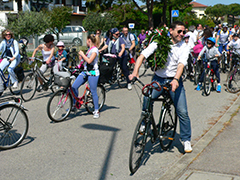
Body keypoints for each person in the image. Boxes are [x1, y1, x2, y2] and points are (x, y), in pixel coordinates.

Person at [129, 21, 192, 153]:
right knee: (147, 97)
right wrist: (135, 71)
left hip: (174, 80)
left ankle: (186, 140)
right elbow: (143, 55)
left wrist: (176, 80)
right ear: (171, 31)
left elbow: (181, 64)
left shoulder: (184, 47)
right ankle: (145, 122)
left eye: (183, 32)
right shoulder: (160, 42)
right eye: (179, 31)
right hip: (158, 79)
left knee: (182, 112)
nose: (181, 34)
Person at [72, 34, 100, 119]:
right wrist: (81, 57)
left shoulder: (95, 50)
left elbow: (89, 60)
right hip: (85, 71)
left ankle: (96, 110)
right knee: (74, 86)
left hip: (93, 73)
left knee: (93, 91)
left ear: (89, 40)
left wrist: (82, 54)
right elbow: (85, 61)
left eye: (86, 41)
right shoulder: (89, 50)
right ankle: (75, 104)